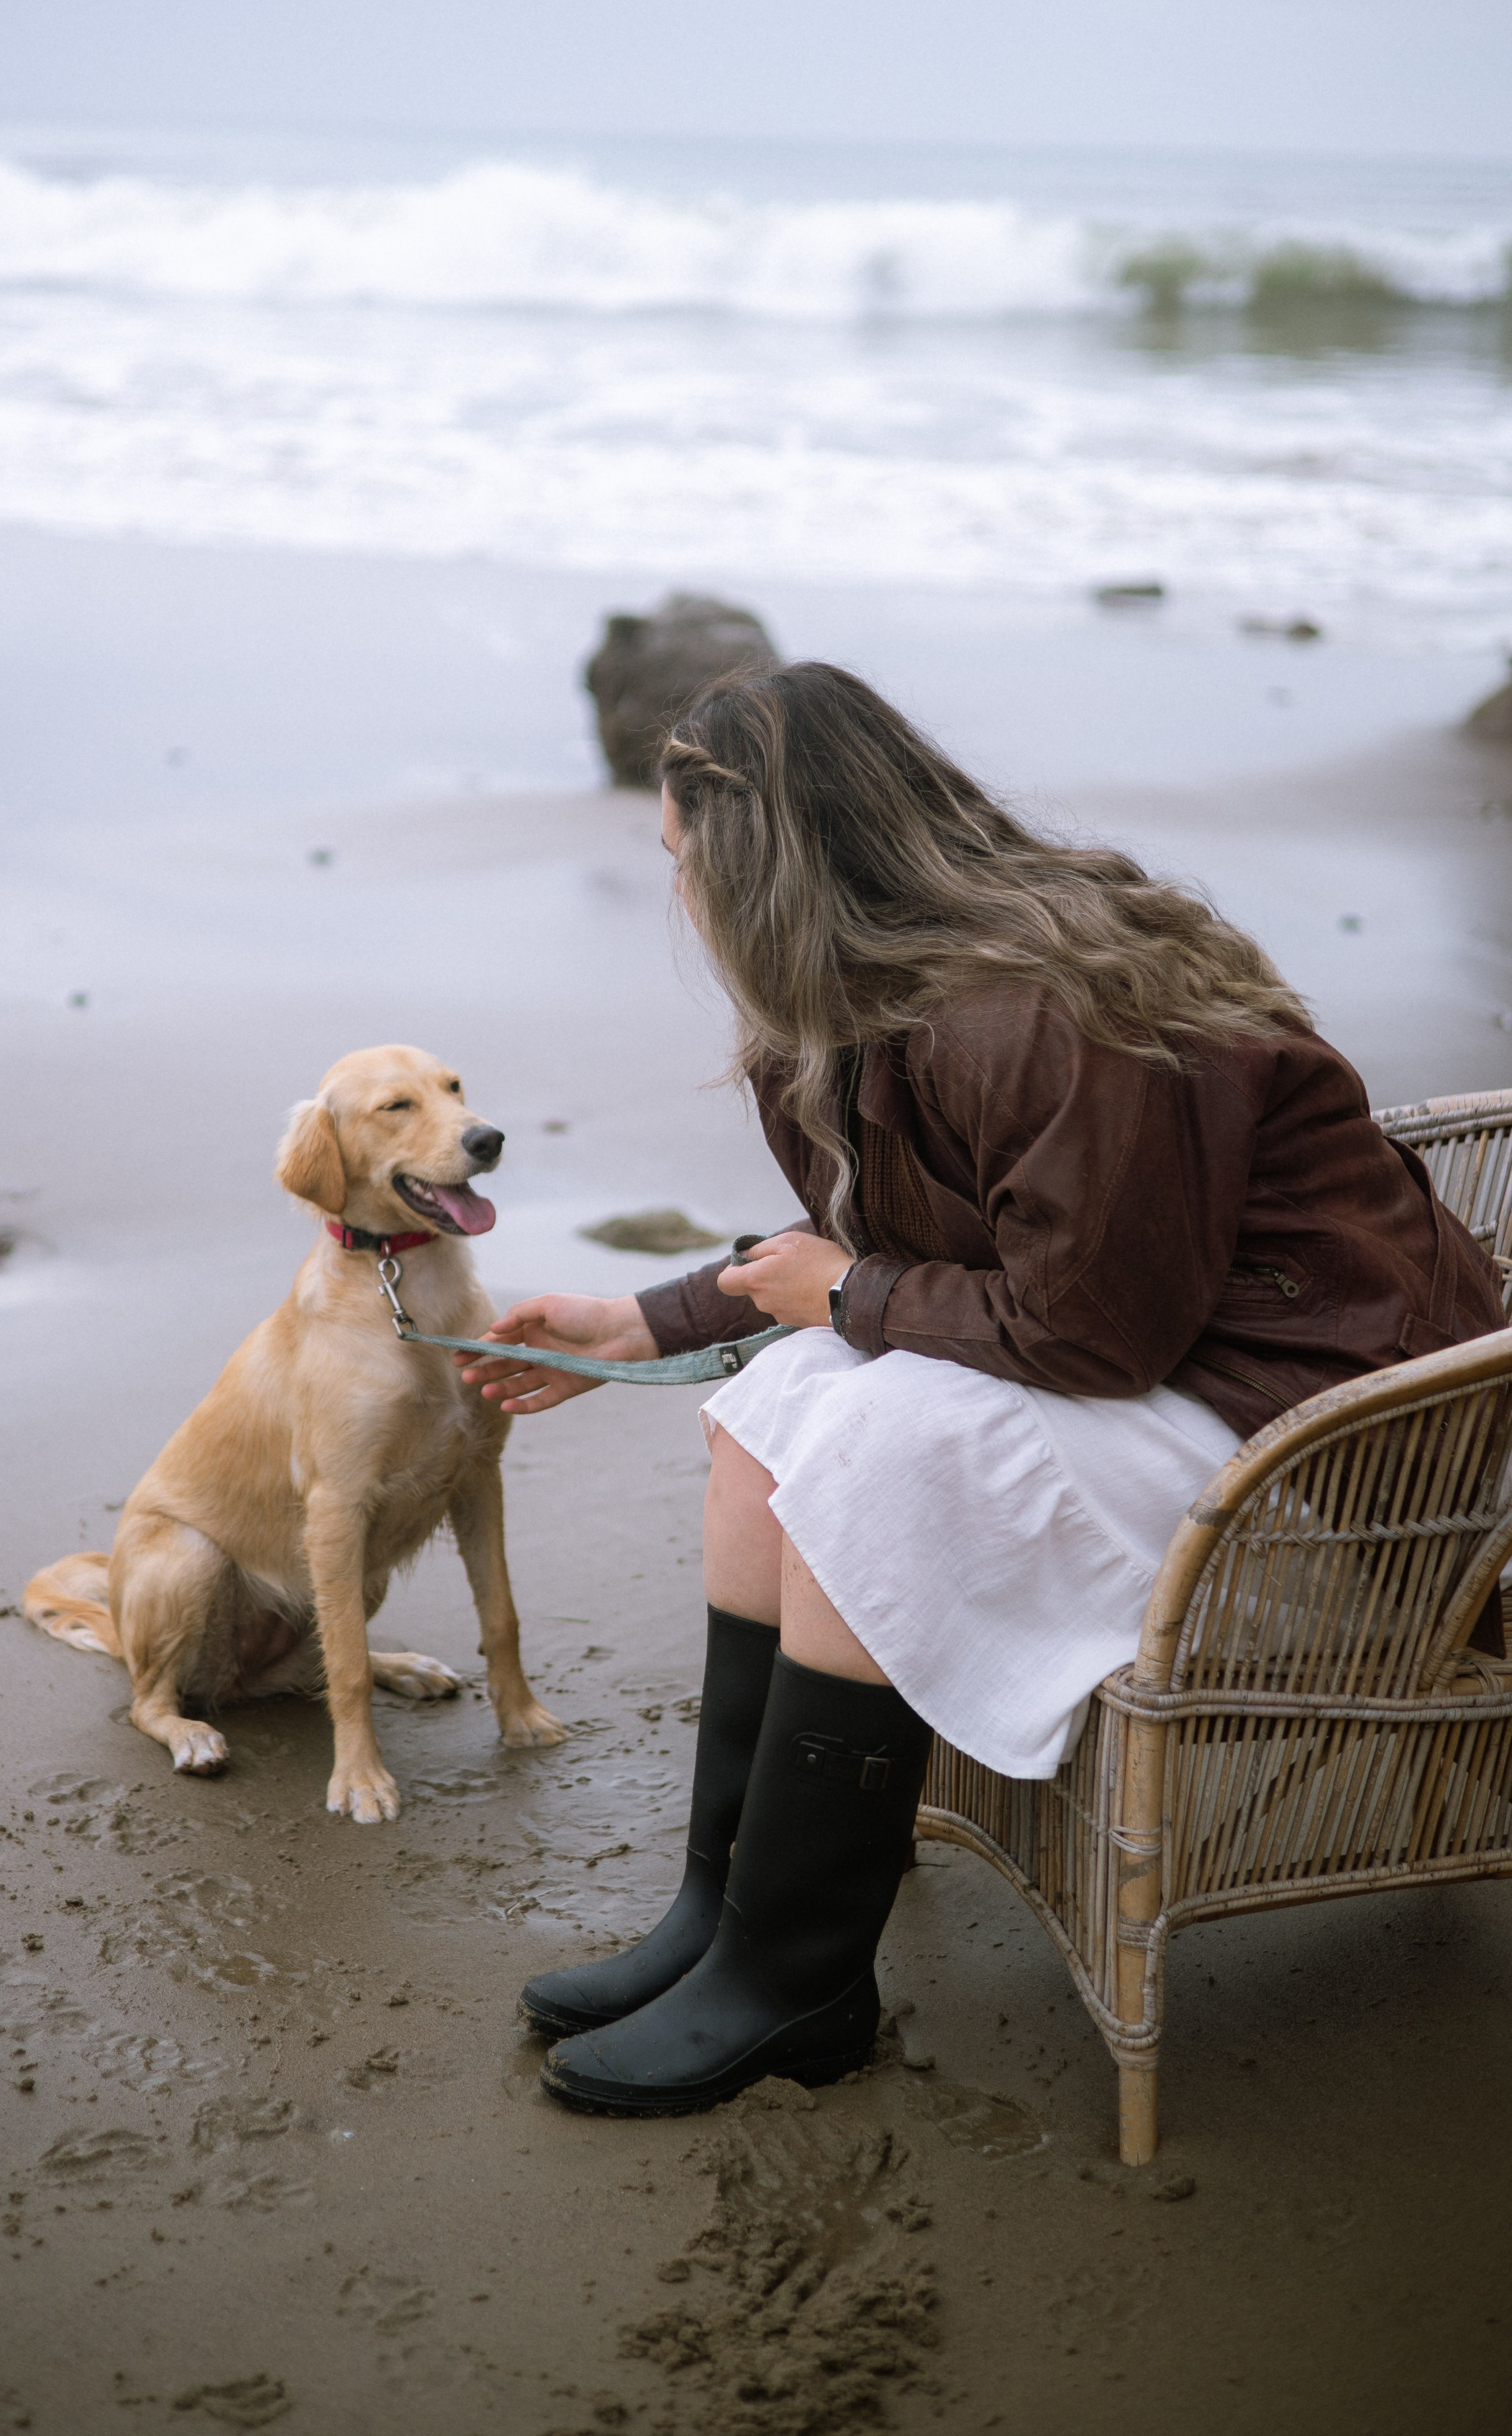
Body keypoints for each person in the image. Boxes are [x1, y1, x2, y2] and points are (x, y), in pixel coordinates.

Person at [463, 662, 1503, 2120]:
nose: (677, 893)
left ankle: (796, 1974)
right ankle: (732, 1913)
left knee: (887, 1432)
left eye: (684, 859)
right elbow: (901, 1237)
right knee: (785, 1398)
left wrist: (845, 1295)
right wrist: (642, 1319)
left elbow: (1087, 1331)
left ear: (767, 872)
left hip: (1334, 1428)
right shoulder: (874, 999)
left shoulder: (1037, 1009)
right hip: (1176, 1350)